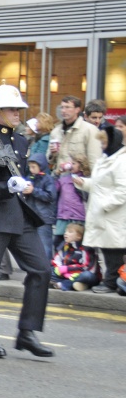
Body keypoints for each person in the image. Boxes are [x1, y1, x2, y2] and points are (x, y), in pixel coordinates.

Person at [0, 84, 53, 358]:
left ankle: (27, 332)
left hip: (18, 215)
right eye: (12, 109)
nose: (18, 113)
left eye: (18, 109)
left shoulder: (20, 141)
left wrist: (22, 185)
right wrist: (6, 188)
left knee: (41, 270)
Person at [74, 117, 126, 294]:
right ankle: (110, 280)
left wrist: (105, 205)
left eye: (104, 142)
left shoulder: (121, 161)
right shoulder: (106, 159)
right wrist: (84, 183)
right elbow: (98, 184)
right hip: (103, 214)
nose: (102, 145)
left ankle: (111, 283)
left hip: (113, 215)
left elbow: (123, 190)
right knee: (107, 250)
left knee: (113, 251)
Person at [48, 95, 101, 171]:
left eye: (67, 107)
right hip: (59, 178)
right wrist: (52, 154)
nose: (63, 110)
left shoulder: (90, 130)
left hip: (79, 179)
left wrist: (89, 181)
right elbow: (50, 160)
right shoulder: (56, 131)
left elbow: (94, 161)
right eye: (62, 107)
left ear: (77, 109)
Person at [52, 154, 89, 252]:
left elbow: (87, 196)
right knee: (58, 242)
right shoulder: (63, 179)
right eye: (70, 163)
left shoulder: (85, 179)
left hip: (77, 217)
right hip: (63, 216)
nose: (71, 165)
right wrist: (57, 173)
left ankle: (77, 263)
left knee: (77, 243)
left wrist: (80, 185)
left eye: (74, 163)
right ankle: (59, 262)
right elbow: (53, 189)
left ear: (81, 166)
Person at [25, 153, 57, 261]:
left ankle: (46, 269)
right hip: (32, 216)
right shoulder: (29, 178)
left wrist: (33, 191)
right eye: (30, 167)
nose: (31, 169)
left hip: (44, 217)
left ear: (41, 166)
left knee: (45, 245)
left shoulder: (48, 179)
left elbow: (50, 196)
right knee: (32, 246)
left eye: (34, 167)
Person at [50, 223, 99, 291]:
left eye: (70, 232)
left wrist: (68, 269)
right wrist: (60, 268)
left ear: (79, 236)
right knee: (50, 271)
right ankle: (79, 284)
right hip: (67, 275)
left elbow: (87, 266)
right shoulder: (64, 246)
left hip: (82, 273)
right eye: (65, 231)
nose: (65, 234)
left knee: (86, 276)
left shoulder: (85, 248)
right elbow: (56, 260)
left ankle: (63, 284)